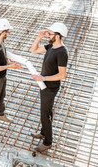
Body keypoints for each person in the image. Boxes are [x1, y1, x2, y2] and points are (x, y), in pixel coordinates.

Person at [29, 22, 69, 152]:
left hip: (50, 87)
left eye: (50, 34)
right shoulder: (51, 46)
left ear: (58, 36)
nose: (48, 36)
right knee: (47, 111)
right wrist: (39, 37)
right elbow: (33, 50)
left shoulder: (62, 52)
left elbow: (62, 75)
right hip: (44, 85)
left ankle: (47, 142)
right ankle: (44, 132)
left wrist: (43, 78)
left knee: (44, 114)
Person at [0, 18, 21, 131]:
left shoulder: (1, 43)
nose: (8, 33)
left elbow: (3, 55)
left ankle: (0, 114)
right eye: (7, 31)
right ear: (3, 32)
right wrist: (10, 67)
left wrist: (8, 62)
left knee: (2, 96)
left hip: (2, 77)